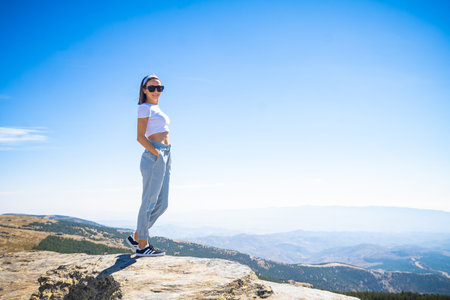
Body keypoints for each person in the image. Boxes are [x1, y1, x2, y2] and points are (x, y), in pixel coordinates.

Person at [125, 74, 172, 257]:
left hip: (166, 154)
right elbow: (139, 137)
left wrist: (164, 154)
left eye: (159, 88)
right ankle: (142, 245)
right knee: (149, 201)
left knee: (163, 204)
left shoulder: (156, 108)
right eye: (152, 88)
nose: (156, 91)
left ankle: (137, 235)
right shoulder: (144, 108)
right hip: (155, 154)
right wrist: (157, 153)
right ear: (144, 90)